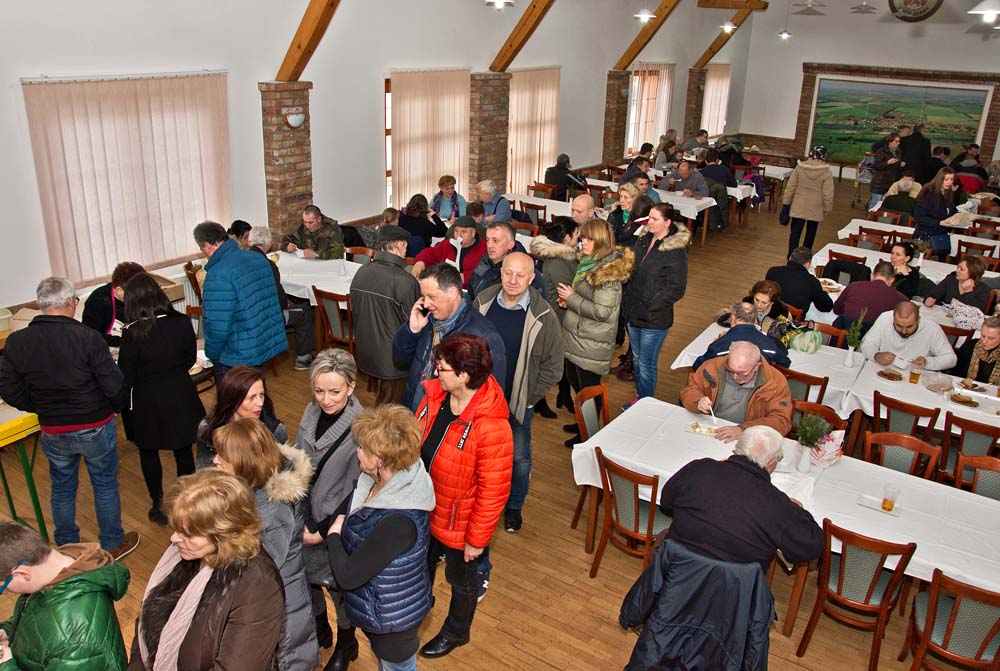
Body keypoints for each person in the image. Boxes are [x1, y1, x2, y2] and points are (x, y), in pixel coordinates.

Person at [0, 277, 138, 560]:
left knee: (62, 486)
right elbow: (114, 384)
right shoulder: (88, 338)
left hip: (53, 428)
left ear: (41, 304)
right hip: (94, 424)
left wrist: (38, 406)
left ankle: (66, 545)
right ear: (71, 303)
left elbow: (8, 387)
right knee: (104, 483)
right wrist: (115, 407)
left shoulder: (17, 341)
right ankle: (113, 542)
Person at [414, 333, 513, 659]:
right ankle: (418, 612)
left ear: (464, 375)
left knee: (461, 580)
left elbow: (494, 491)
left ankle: (456, 632)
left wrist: (476, 540)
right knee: (420, 568)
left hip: (460, 522)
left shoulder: (491, 426)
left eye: (441, 367)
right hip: (425, 508)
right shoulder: (435, 396)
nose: (435, 372)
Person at [128, 470, 285, 670]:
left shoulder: (258, 585)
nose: (173, 539)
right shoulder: (184, 554)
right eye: (176, 529)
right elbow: (146, 619)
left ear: (223, 533)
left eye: (187, 534)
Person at [325, 405, 435, 671]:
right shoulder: (383, 479)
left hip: (393, 626)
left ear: (380, 459)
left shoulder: (398, 523)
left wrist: (333, 536)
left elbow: (348, 576)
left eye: (363, 448)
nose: (357, 452)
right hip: (380, 609)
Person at [211, 419, 319, 671]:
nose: (215, 460)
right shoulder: (254, 493)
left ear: (243, 463)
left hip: (281, 614)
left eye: (222, 456)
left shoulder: (271, 513)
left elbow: (258, 574)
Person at [474, 252, 563, 532]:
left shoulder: (544, 315)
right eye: (508, 273)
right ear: (500, 273)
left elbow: (554, 367)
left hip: (518, 403)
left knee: (519, 459)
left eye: (520, 275)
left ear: (531, 278)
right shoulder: (482, 302)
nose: (513, 280)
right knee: (477, 454)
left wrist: (530, 398)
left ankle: (514, 506)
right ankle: (479, 502)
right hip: (480, 401)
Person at [658, 426, 823, 571]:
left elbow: (666, 501)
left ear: (737, 450)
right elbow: (812, 546)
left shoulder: (700, 468)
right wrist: (798, 510)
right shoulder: (776, 504)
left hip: (670, 577)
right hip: (733, 592)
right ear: (771, 462)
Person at [295, 349, 366, 669]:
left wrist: (323, 530)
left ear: (351, 387)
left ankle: (346, 643)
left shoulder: (361, 428)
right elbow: (298, 459)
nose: (325, 399)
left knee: (340, 589)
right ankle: (320, 625)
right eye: (319, 390)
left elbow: (358, 489)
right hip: (304, 515)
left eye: (334, 392)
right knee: (306, 578)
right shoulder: (310, 413)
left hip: (336, 525)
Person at [118, 272, 205, 525]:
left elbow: (126, 374)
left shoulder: (132, 332)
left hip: (147, 402)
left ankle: (158, 504)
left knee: (148, 452)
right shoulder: (181, 322)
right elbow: (190, 359)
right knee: (183, 450)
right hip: (181, 393)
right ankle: (186, 501)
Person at [0, 521, 130, 670]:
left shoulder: (77, 642)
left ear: (22, 574)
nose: (6, 591)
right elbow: (36, 618)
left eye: (2, 588)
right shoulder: (49, 574)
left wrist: (6, 667)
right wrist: (8, 630)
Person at [558, 219, 635, 445]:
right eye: (582, 237)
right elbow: (585, 297)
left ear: (600, 241)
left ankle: (589, 435)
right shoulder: (588, 263)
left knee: (589, 390)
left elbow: (602, 312)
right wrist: (569, 300)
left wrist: (572, 298)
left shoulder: (607, 275)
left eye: (589, 239)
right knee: (576, 382)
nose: (583, 242)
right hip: (579, 337)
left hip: (592, 341)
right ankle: (583, 422)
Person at [393, 263, 506, 411]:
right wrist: (412, 330)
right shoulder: (426, 318)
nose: (426, 303)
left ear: (452, 292)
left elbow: (490, 398)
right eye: (423, 296)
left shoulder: (484, 336)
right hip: (414, 411)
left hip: (445, 419)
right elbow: (400, 363)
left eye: (431, 297)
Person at [193, 221, 286, 383]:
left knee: (234, 397)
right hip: (260, 343)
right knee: (256, 392)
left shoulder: (218, 273)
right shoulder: (258, 258)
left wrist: (212, 353)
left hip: (235, 353)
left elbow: (218, 326)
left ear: (207, 246)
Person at [620, 204, 689, 406]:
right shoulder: (643, 239)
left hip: (654, 317)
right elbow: (632, 268)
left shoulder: (675, 251)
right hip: (633, 312)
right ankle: (640, 396)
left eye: (654, 219)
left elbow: (677, 288)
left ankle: (644, 402)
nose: (649, 222)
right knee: (637, 358)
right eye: (649, 217)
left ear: (667, 223)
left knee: (646, 363)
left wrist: (650, 304)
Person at [351, 225, 422, 406]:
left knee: (383, 401)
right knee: (389, 411)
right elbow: (415, 325)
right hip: (394, 361)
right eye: (406, 246)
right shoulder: (405, 281)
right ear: (399, 245)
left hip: (366, 353)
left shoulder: (362, 271)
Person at [680, 341, 794, 443]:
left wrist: (743, 430)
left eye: (742, 373)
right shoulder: (712, 367)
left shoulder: (775, 382)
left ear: (756, 367)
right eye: (730, 370)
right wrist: (698, 400)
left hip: (748, 440)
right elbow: (689, 390)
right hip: (710, 429)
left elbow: (781, 421)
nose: (735, 376)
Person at [530, 216, 580, 416]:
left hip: (561, 315)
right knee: (552, 363)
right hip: (558, 316)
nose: (579, 237)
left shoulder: (564, 257)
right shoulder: (560, 261)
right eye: (576, 234)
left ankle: (563, 395)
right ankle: (541, 401)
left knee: (562, 360)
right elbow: (565, 293)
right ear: (567, 238)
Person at [248, 226, 315, 371]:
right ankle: (304, 359)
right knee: (305, 310)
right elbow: (279, 299)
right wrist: (288, 303)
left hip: (249, 316)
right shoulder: (268, 265)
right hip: (267, 318)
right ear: (269, 244)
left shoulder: (243, 261)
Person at [196, 365, 287, 469]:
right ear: (233, 400)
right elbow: (203, 471)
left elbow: (281, 471)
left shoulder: (275, 431)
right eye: (252, 397)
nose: (260, 403)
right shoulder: (208, 429)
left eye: (261, 395)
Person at [692, 301, 790, 371]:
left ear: (733, 316)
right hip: (759, 389)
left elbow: (698, 366)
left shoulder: (720, 345)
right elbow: (785, 363)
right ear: (754, 319)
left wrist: (715, 343)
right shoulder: (769, 344)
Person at [859, 301, 957, 371]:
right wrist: (876, 355)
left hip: (914, 377)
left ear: (918, 320)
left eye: (909, 326)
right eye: (899, 326)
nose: (904, 331)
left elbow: (951, 359)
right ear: (893, 319)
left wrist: (927, 362)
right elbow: (867, 344)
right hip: (881, 371)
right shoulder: (885, 318)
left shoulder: (932, 328)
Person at [468, 221, 545, 299]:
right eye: (487, 240)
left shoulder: (526, 272)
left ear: (510, 244)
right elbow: (471, 292)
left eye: (495, 241)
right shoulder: (484, 262)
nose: (489, 245)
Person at [781, 146, 834, 257]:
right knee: (810, 234)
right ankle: (805, 258)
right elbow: (828, 193)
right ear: (824, 156)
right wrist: (827, 207)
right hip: (816, 206)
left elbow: (790, 186)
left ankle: (791, 256)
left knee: (795, 234)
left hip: (799, 204)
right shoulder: (826, 172)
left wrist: (786, 202)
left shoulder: (799, 168)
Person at [81, 261, 146, 346]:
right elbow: (92, 337)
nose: (141, 296)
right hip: (108, 345)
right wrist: (126, 342)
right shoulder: (97, 301)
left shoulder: (141, 294)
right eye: (136, 294)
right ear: (119, 290)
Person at [833, 261, 907, 332]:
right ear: (891, 280)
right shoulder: (901, 300)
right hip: (876, 338)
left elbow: (837, 310)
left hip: (845, 334)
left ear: (871, 276)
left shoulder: (853, 286)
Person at [765, 246, 833, 315]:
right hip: (792, 320)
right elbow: (826, 307)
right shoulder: (812, 281)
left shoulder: (772, 271)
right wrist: (822, 291)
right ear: (808, 264)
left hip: (770, 313)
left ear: (790, 258)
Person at [914, 168, 959, 259]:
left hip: (941, 236)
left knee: (938, 264)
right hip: (925, 237)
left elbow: (950, 212)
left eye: (951, 179)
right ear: (939, 179)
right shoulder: (929, 194)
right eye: (946, 179)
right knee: (920, 262)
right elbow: (919, 217)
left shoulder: (948, 194)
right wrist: (939, 222)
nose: (949, 182)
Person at [925, 256, 991, 312]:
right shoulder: (950, 280)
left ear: (972, 272)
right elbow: (932, 294)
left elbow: (977, 311)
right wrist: (928, 299)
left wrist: (969, 291)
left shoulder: (983, 289)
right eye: (958, 267)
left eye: (962, 269)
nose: (957, 271)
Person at [282, 204, 346, 260]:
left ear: (319, 219)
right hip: (309, 264)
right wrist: (287, 246)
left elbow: (339, 252)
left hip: (330, 265)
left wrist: (317, 255)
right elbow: (288, 239)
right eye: (305, 222)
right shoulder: (303, 227)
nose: (307, 226)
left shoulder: (332, 228)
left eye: (311, 222)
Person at [958, 316, 1000, 384]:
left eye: (991, 338)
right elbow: (955, 374)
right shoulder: (969, 347)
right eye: (983, 336)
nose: (984, 341)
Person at [869, 133, 905, 210]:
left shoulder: (898, 151)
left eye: (899, 141)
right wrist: (887, 163)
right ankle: (871, 216)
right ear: (890, 142)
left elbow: (896, 168)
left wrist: (900, 165)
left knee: (886, 204)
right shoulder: (881, 151)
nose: (898, 143)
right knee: (875, 204)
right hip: (880, 182)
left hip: (891, 182)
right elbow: (876, 166)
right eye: (896, 141)